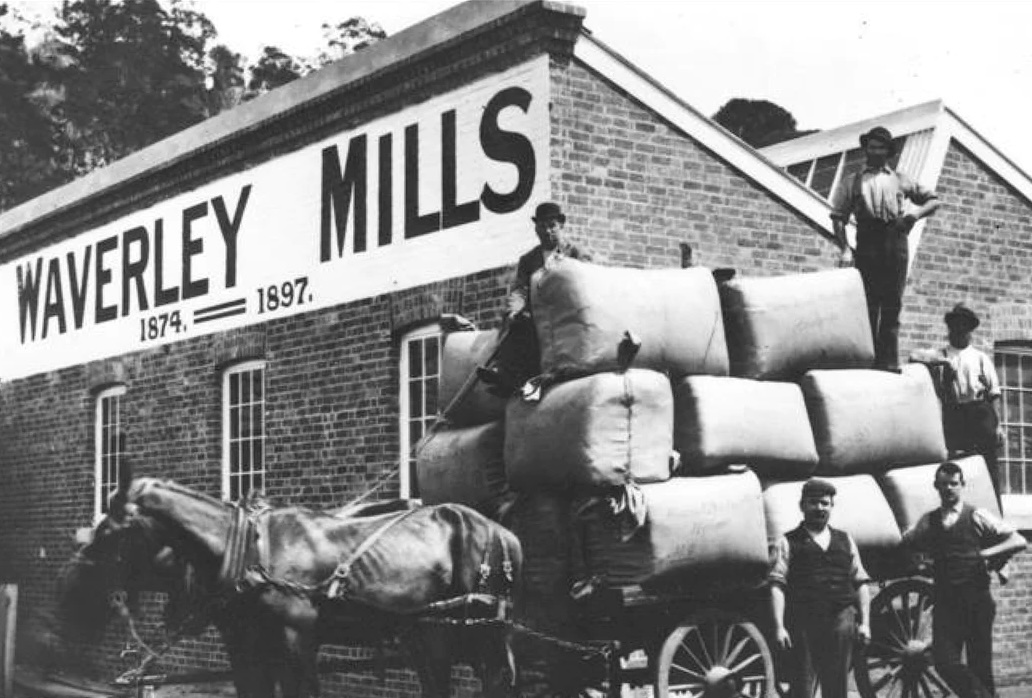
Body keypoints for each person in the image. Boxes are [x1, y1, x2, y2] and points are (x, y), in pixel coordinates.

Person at [901, 461, 1027, 698]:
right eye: (943, 484)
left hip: (977, 602)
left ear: (962, 485)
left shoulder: (977, 515)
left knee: (980, 666)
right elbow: (908, 541)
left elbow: (1018, 540)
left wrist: (985, 554)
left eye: (953, 484)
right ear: (935, 487)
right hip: (947, 603)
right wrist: (920, 562)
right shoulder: (928, 521)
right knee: (944, 662)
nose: (949, 489)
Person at [831, 126, 940, 372]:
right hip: (868, 241)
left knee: (892, 303)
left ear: (888, 151)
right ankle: (866, 360)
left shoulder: (900, 178)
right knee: (868, 302)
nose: (875, 151)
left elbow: (934, 200)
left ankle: (888, 362)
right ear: (866, 149)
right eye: (871, 146)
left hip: (896, 240)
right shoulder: (853, 180)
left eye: (881, 147)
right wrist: (845, 249)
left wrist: (914, 215)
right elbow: (838, 217)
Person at [769, 478, 871, 698]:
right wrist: (779, 627)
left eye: (825, 503)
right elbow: (777, 585)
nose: (819, 508)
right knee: (802, 687)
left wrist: (865, 624)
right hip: (804, 621)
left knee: (837, 687)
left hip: (840, 619)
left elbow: (861, 582)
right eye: (813, 503)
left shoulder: (845, 540)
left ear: (832, 506)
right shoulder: (787, 542)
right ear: (802, 506)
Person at [477, 201, 589, 396]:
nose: (547, 231)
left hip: (565, 313)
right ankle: (505, 372)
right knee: (515, 319)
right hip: (538, 315)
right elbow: (520, 291)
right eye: (542, 226)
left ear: (561, 225)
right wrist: (515, 311)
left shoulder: (576, 254)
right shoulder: (529, 260)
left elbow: (589, 284)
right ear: (536, 228)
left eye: (552, 225)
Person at [936, 304, 1005, 500]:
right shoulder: (942, 356)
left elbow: (994, 393)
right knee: (957, 467)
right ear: (950, 329)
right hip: (955, 415)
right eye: (955, 326)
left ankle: (995, 514)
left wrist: (998, 425)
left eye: (964, 326)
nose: (959, 330)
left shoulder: (980, 358)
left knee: (988, 464)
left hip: (980, 414)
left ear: (970, 330)